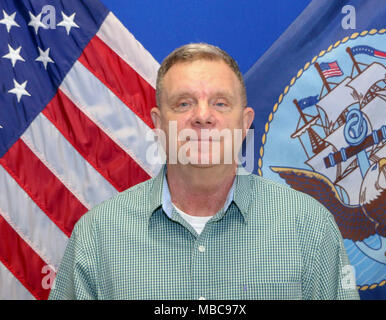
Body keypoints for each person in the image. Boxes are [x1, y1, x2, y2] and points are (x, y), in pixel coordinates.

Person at [49, 43, 360, 300]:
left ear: (244, 122)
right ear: (158, 124)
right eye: (184, 103)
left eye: (221, 103)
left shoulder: (308, 227)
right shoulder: (98, 235)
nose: (202, 116)